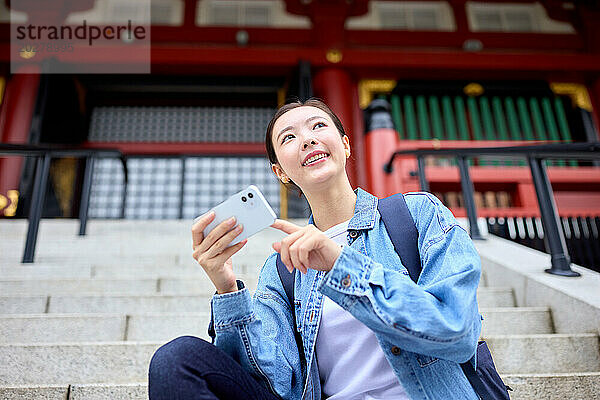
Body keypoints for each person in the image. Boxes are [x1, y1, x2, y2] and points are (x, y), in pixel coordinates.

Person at [148, 98, 482, 400]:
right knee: (176, 361)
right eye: (288, 138)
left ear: (346, 146)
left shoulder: (416, 215)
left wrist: (341, 265)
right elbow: (276, 383)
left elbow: (457, 332)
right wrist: (225, 288)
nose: (307, 139)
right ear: (280, 172)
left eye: (318, 126)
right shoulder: (282, 268)